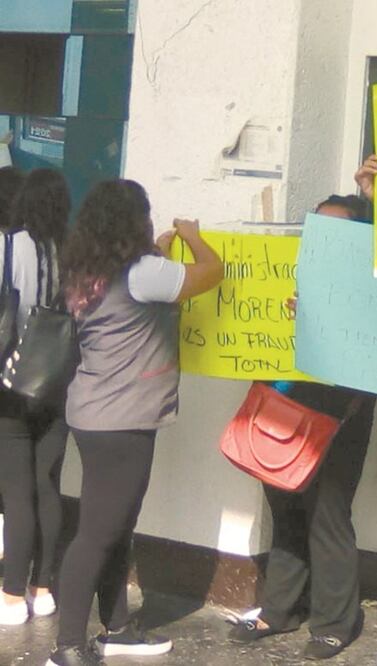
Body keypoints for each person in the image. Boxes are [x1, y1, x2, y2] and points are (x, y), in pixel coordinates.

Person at [49, 180, 223, 666]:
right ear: (135, 223)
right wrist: (192, 236)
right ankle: (66, 646)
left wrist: (160, 252)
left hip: (93, 411)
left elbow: (148, 285)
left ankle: (118, 627)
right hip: (122, 421)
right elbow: (211, 273)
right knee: (98, 533)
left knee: (116, 524)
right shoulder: (144, 273)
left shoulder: (87, 270)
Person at [228, 189, 377, 661]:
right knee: (285, 506)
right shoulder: (290, 269)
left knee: (328, 515)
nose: (328, 235)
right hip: (285, 406)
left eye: (342, 227)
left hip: (340, 412)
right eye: (321, 225)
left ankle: (335, 622)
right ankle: (280, 610)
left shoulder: (373, 284)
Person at [0, 169, 72, 626]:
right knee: (48, 486)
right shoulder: (72, 252)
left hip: (10, 382)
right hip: (58, 382)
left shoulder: (7, 245)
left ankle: (9, 596)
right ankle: (43, 587)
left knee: (16, 491)